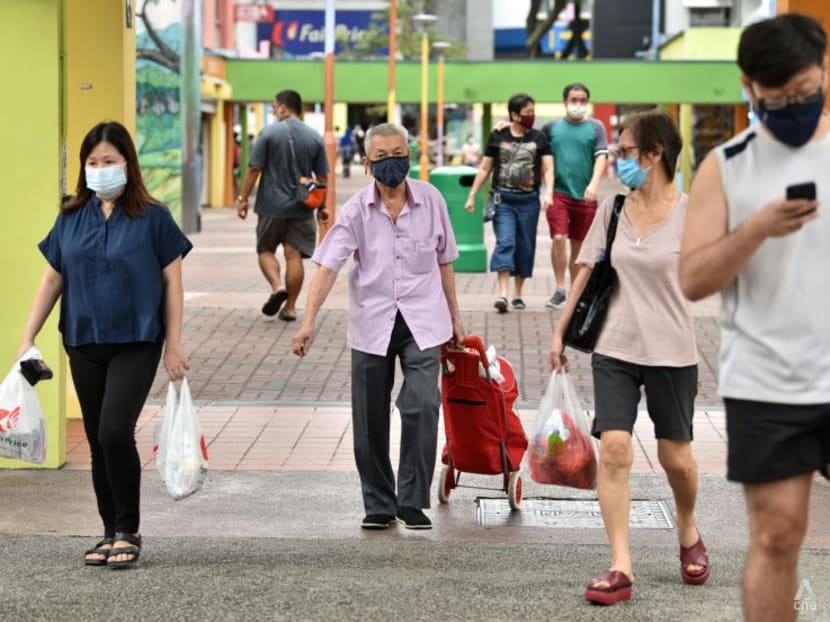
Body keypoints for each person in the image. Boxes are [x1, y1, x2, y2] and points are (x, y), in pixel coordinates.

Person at [680, 14, 830, 622]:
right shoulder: (727, 164)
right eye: (778, 98)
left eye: (805, 91)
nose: (794, 106)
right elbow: (693, 279)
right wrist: (756, 229)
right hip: (767, 380)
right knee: (776, 536)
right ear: (749, 85)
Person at [550, 110, 708, 605]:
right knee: (614, 448)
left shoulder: (692, 213)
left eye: (625, 152)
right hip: (614, 346)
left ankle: (687, 526)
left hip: (672, 350)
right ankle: (621, 564)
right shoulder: (613, 209)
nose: (617, 160)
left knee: (675, 457)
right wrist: (559, 332)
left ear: (655, 154)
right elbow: (585, 271)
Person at [17, 121, 192, 569]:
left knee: (115, 430)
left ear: (128, 164)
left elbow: (172, 282)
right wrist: (27, 336)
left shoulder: (154, 217)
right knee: (97, 440)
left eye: (109, 161)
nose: (100, 170)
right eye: (93, 163)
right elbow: (53, 277)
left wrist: (174, 344)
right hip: (83, 338)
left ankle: (128, 529)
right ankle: (109, 530)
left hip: (137, 338)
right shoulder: (71, 216)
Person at [290, 123, 465, 530]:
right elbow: (328, 267)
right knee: (370, 416)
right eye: (382, 157)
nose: (392, 163)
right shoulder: (355, 211)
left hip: (424, 318)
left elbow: (445, 261)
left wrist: (455, 317)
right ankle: (378, 503)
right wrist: (309, 322)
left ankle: (411, 500)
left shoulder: (432, 200)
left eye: (399, 153)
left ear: (410, 154)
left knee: (422, 403)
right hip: (373, 321)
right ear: (368, 164)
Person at [236, 89, 329, 322]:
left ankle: (277, 287)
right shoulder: (314, 137)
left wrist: (243, 198)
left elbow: (254, 168)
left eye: (274, 106)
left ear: (284, 108)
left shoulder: (268, 133)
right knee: (293, 255)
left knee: (265, 250)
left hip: (271, 205)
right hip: (302, 205)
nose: (273, 111)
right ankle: (290, 307)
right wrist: (322, 206)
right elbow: (323, 176)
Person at [464, 93, 554, 313]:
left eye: (533, 111)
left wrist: (549, 193)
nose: (531, 116)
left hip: (529, 201)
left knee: (525, 246)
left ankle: (518, 294)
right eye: (526, 113)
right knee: (505, 242)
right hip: (502, 199)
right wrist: (472, 194)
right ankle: (502, 293)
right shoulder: (498, 135)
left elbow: (548, 167)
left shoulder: (539, 138)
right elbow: (485, 168)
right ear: (514, 114)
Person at [542, 83, 609, 309]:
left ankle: (575, 292)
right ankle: (560, 289)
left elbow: (601, 156)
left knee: (579, 248)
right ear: (564, 101)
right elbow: (531, 144)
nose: (578, 104)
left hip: (585, 197)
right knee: (559, 238)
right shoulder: (551, 128)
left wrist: (595, 183)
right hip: (558, 194)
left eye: (582, 100)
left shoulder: (596, 127)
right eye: (574, 99)